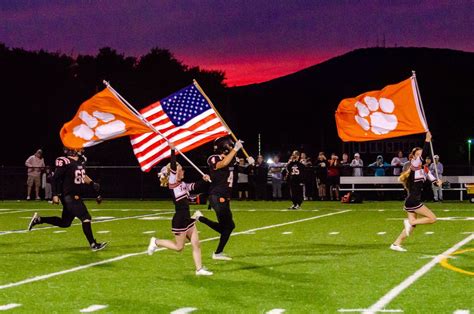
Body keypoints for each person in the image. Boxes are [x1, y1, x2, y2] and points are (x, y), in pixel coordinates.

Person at [147, 145, 213, 276]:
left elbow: (195, 186)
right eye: (181, 170)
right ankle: (155, 242)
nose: (183, 172)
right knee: (179, 247)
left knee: (196, 244)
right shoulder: (173, 184)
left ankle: (199, 269)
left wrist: (205, 180)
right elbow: (172, 167)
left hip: (188, 219)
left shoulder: (183, 185)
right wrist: (172, 150)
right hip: (179, 220)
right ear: (175, 173)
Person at [27, 148, 107, 251]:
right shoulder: (66, 161)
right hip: (70, 196)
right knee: (86, 217)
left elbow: (83, 175)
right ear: (74, 151)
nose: (82, 151)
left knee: (65, 223)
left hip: (75, 196)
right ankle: (93, 244)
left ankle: (39, 219)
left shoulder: (79, 162)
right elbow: (54, 178)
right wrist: (54, 195)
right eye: (79, 150)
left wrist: (92, 183)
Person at [196, 136, 248, 261]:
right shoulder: (213, 158)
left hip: (225, 196)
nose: (231, 148)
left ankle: (200, 218)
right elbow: (222, 164)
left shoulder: (230, 158)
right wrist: (235, 149)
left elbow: (237, 164)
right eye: (229, 146)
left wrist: (250, 162)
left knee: (228, 227)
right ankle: (217, 253)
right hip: (217, 195)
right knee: (228, 226)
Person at [390, 132, 441, 252]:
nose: (421, 156)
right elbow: (425, 154)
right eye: (418, 154)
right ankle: (410, 222)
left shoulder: (424, 169)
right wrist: (427, 139)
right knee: (432, 218)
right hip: (413, 200)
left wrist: (437, 182)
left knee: (411, 226)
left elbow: (432, 179)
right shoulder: (414, 164)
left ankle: (396, 244)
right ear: (413, 157)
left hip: (411, 200)